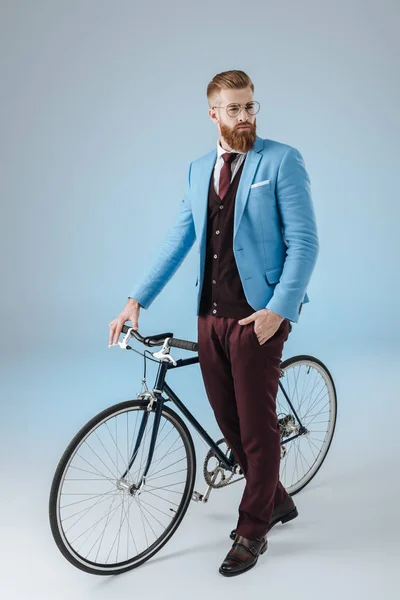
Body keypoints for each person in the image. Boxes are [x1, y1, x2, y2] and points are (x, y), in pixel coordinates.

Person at [108, 69, 319, 577]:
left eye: (251, 107)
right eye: (234, 109)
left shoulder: (282, 160)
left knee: (256, 426)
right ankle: (278, 496)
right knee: (230, 423)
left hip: (258, 318)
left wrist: (277, 311)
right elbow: (178, 239)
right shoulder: (198, 169)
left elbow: (305, 243)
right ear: (212, 114)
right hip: (210, 315)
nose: (245, 117)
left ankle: (252, 529)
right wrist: (136, 299)